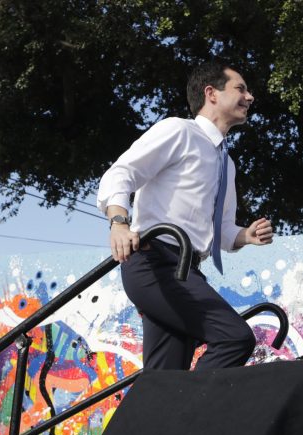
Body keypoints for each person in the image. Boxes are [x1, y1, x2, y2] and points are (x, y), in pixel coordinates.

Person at [96, 61, 274, 371]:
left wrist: (246, 235)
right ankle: (190, 413)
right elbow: (122, 172)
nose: (250, 97)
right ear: (212, 94)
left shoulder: (226, 163)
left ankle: (161, 416)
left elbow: (221, 229)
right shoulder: (179, 130)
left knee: (164, 377)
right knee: (235, 338)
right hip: (156, 262)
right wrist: (119, 223)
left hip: (187, 268)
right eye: (240, 89)